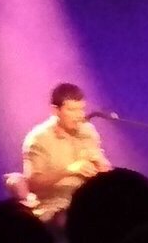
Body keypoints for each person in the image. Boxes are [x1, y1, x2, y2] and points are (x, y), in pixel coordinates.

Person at [22, 83, 111, 226]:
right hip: (55, 208)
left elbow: (105, 170)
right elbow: (33, 184)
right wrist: (69, 170)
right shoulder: (39, 139)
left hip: (87, 203)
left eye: (81, 109)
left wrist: (100, 166)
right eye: (72, 110)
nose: (79, 116)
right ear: (55, 110)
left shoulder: (87, 131)